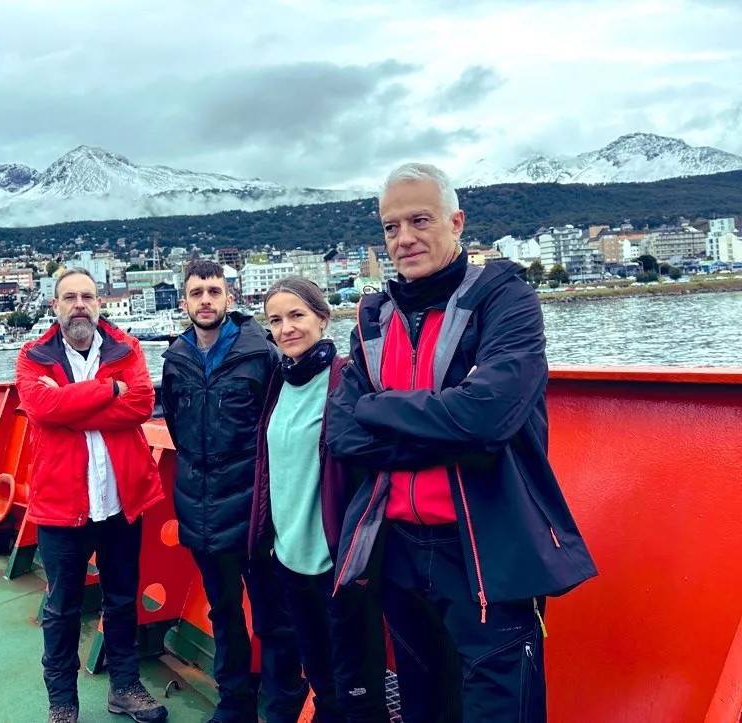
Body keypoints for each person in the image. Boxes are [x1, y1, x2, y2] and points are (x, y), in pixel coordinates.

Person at [326, 163, 598, 722]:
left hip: (485, 549)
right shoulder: (374, 317)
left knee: (502, 705)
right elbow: (343, 434)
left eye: (419, 220)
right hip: (398, 548)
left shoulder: (507, 300)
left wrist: (380, 409)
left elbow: (486, 418)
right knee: (425, 704)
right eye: (390, 227)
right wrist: (434, 431)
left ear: (456, 222)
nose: (403, 239)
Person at [15, 268, 169, 723]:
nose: (79, 305)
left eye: (87, 296)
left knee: (122, 598)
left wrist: (70, 405)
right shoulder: (33, 356)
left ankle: (125, 688)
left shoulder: (127, 348)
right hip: (61, 508)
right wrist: (108, 392)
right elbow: (41, 408)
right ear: (55, 307)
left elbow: (140, 403)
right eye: (69, 298)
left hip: (121, 503)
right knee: (61, 607)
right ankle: (62, 702)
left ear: (99, 303)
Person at [160, 260, 308, 723]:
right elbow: (180, 434)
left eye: (214, 290)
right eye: (196, 292)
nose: (206, 299)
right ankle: (235, 703)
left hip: (253, 510)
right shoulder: (176, 359)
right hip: (200, 510)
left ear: (229, 298)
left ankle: (284, 702)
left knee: (272, 615)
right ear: (184, 302)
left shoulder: (259, 354)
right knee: (223, 612)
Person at [248, 277, 389, 723]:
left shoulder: (346, 379)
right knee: (322, 679)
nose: (286, 328)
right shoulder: (278, 383)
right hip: (289, 559)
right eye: (276, 320)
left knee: (357, 687)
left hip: (338, 562)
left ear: (322, 319)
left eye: (297, 315)